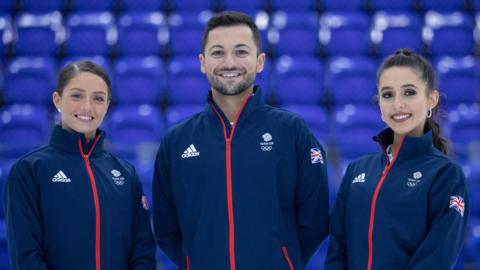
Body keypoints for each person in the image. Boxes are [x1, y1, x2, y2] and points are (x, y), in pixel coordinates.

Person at [153, 11, 329, 270]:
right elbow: (167, 230)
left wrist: (283, 261)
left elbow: (314, 222)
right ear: (202, 62)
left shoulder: (292, 132)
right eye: (217, 52)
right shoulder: (177, 141)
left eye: (241, 52)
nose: (229, 62)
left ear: (260, 61)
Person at [3, 61, 156, 270]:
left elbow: (143, 252)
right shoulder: (29, 170)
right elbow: (27, 257)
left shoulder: (125, 173)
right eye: (77, 95)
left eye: (98, 98)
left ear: (107, 105)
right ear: (57, 100)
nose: (87, 107)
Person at [325, 49, 469, 270]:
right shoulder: (356, 170)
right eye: (388, 94)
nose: (398, 104)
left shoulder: (445, 175)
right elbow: (337, 250)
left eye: (409, 92)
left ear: (432, 99)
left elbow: (435, 260)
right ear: (380, 106)